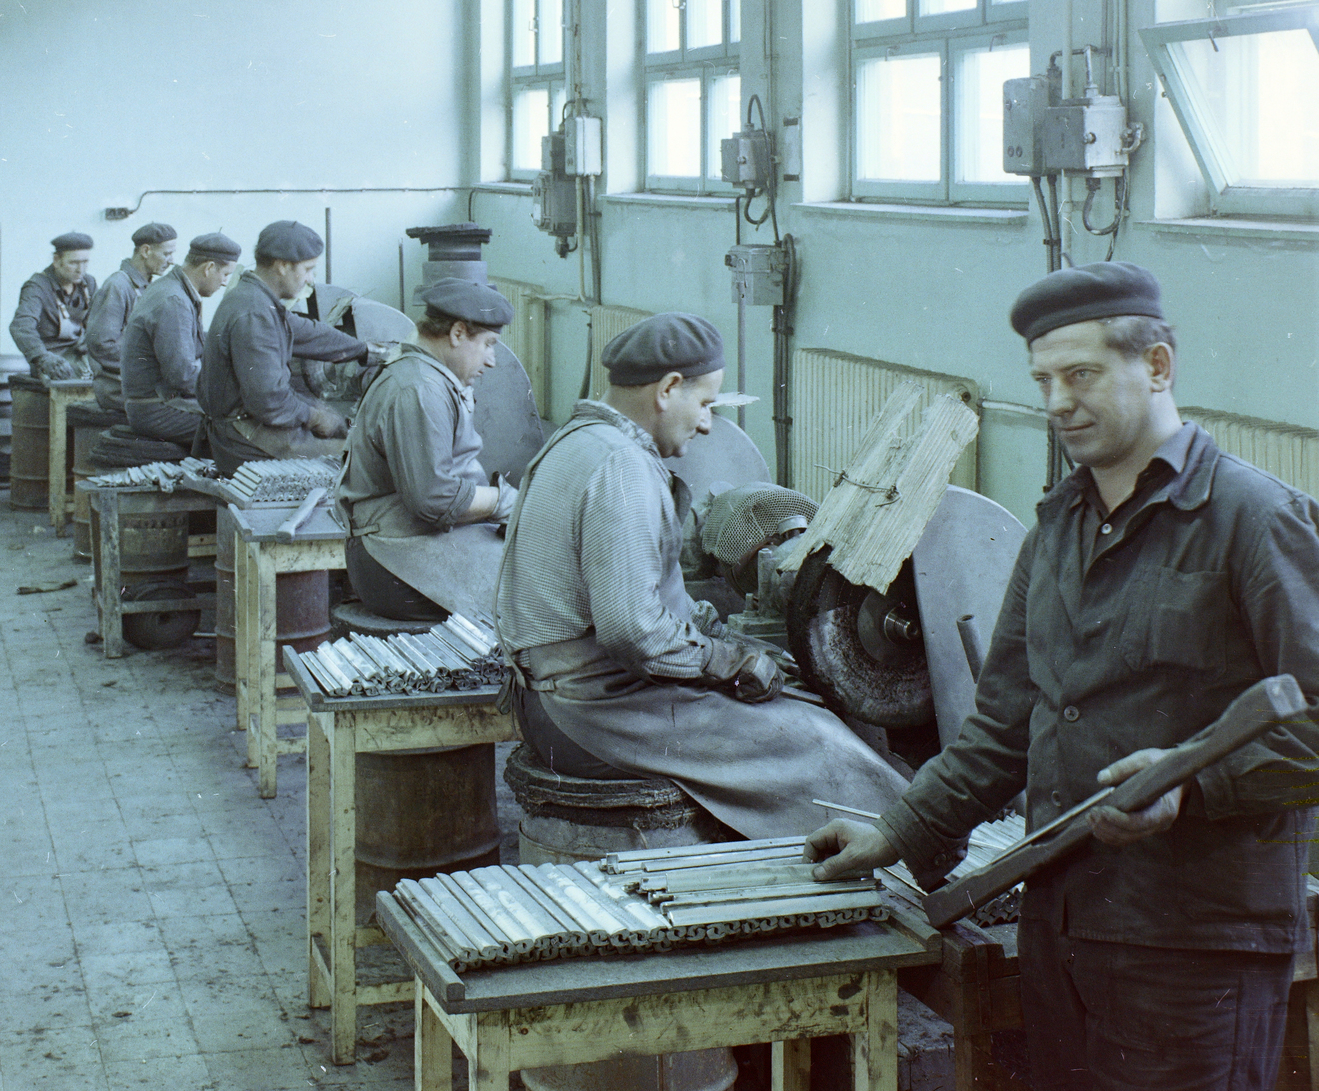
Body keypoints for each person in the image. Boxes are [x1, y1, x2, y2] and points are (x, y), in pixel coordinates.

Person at [806, 262, 1319, 1091]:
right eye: (1043, 379)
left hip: (1194, 954)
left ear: (1157, 365)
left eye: (1080, 374)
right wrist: (900, 831)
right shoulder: (1057, 528)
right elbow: (1004, 723)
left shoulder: (1253, 521)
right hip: (1064, 933)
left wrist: (1192, 786)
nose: (1056, 401)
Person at [494, 312, 909, 839]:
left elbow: (644, 605)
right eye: (706, 403)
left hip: (555, 702)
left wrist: (718, 635)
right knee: (817, 739)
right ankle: (910, 857)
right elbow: (633, 633)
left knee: (799, 713)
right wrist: (724, 660)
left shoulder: (575, 441)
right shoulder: (620, 467)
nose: (708, 423)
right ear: (668, 389)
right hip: (592, 717)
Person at [335, 278, 519, 621]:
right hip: (393, 563)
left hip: (403, 545)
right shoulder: (419, 388)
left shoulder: (423, 371)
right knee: (540, 588)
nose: (492, 360)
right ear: (458, 333)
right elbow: (434, 499)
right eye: (488, 344)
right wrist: (503, 501)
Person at [198, 220, 368, 473]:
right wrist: (316, 417)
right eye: (308, 269)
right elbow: (270, 401)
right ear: (282, 266)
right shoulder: (254, 312)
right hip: (245, 439)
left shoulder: (254, 298)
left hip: (245, 429)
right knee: (363, 455)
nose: (310, 279)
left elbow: (308, 333)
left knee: (344, 435)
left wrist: (363, 349)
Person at [118, 232, 240, 448]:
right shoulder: (174, 301)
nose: (224, 283)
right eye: (225, 274)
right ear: (209, 268)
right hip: (157, 409)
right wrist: (234, 391)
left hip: (156, 403)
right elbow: (182, 375)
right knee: (243, 430)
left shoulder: (172, 289)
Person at [87, 222, 177, 411]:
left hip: (139, 385)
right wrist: (150, 365)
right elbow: (101, 344)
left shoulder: (146, 287)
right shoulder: (118, 286)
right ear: (145, 251)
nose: (171, 261)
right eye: (166, 254)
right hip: (118, 389)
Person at [9, 231, 97, 381]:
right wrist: (42, 357)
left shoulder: (88, 284)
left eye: (85, 262)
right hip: (52, 365)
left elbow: (97, 324)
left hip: (82, 358)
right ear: (56, 260)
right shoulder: (37, 286)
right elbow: (21, 326)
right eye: (73, 263)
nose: (80, 270)